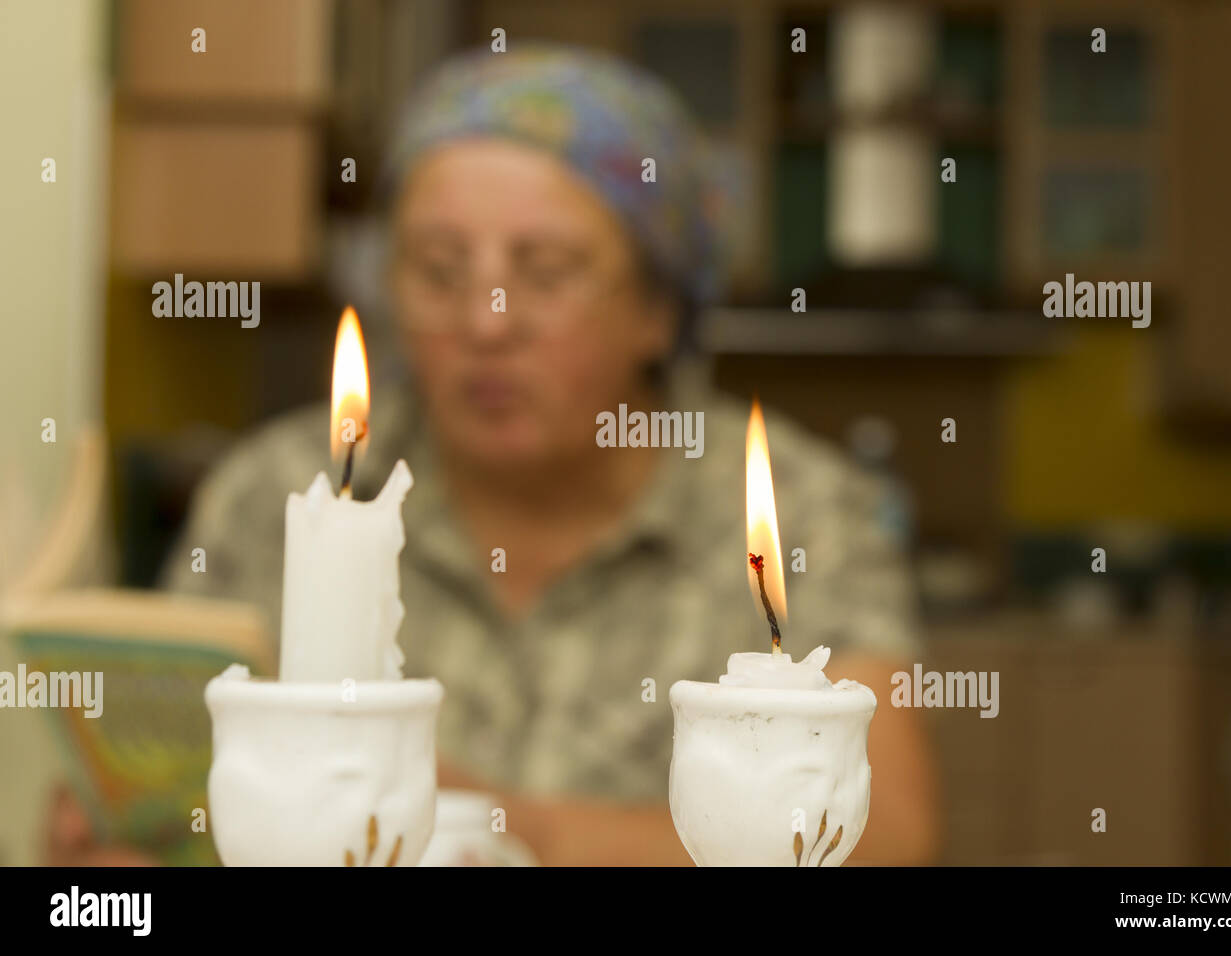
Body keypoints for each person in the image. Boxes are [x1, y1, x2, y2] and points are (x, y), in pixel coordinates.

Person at [60, 43, 939, 866]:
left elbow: (887, 839)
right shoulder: (280, 494)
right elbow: (173, 797)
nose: (484, 323)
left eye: (546, 272)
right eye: (439, 270)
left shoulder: (804, 513)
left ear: (658, 310)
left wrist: (487, 824)